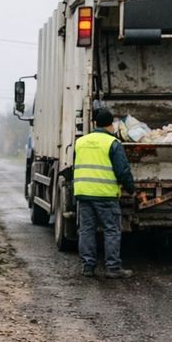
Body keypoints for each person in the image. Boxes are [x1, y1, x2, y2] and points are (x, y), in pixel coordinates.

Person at [73, 108, 136, 278]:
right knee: (111, 230)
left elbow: (75, 166)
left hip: (84, 193)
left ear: (95, 123)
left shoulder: (81, 142)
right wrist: (131, 188)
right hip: (105, 195)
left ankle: (88, 267)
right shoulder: (112, 143)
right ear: (111, 125)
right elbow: (122, 170)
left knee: (86, 230)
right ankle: (113, 268)